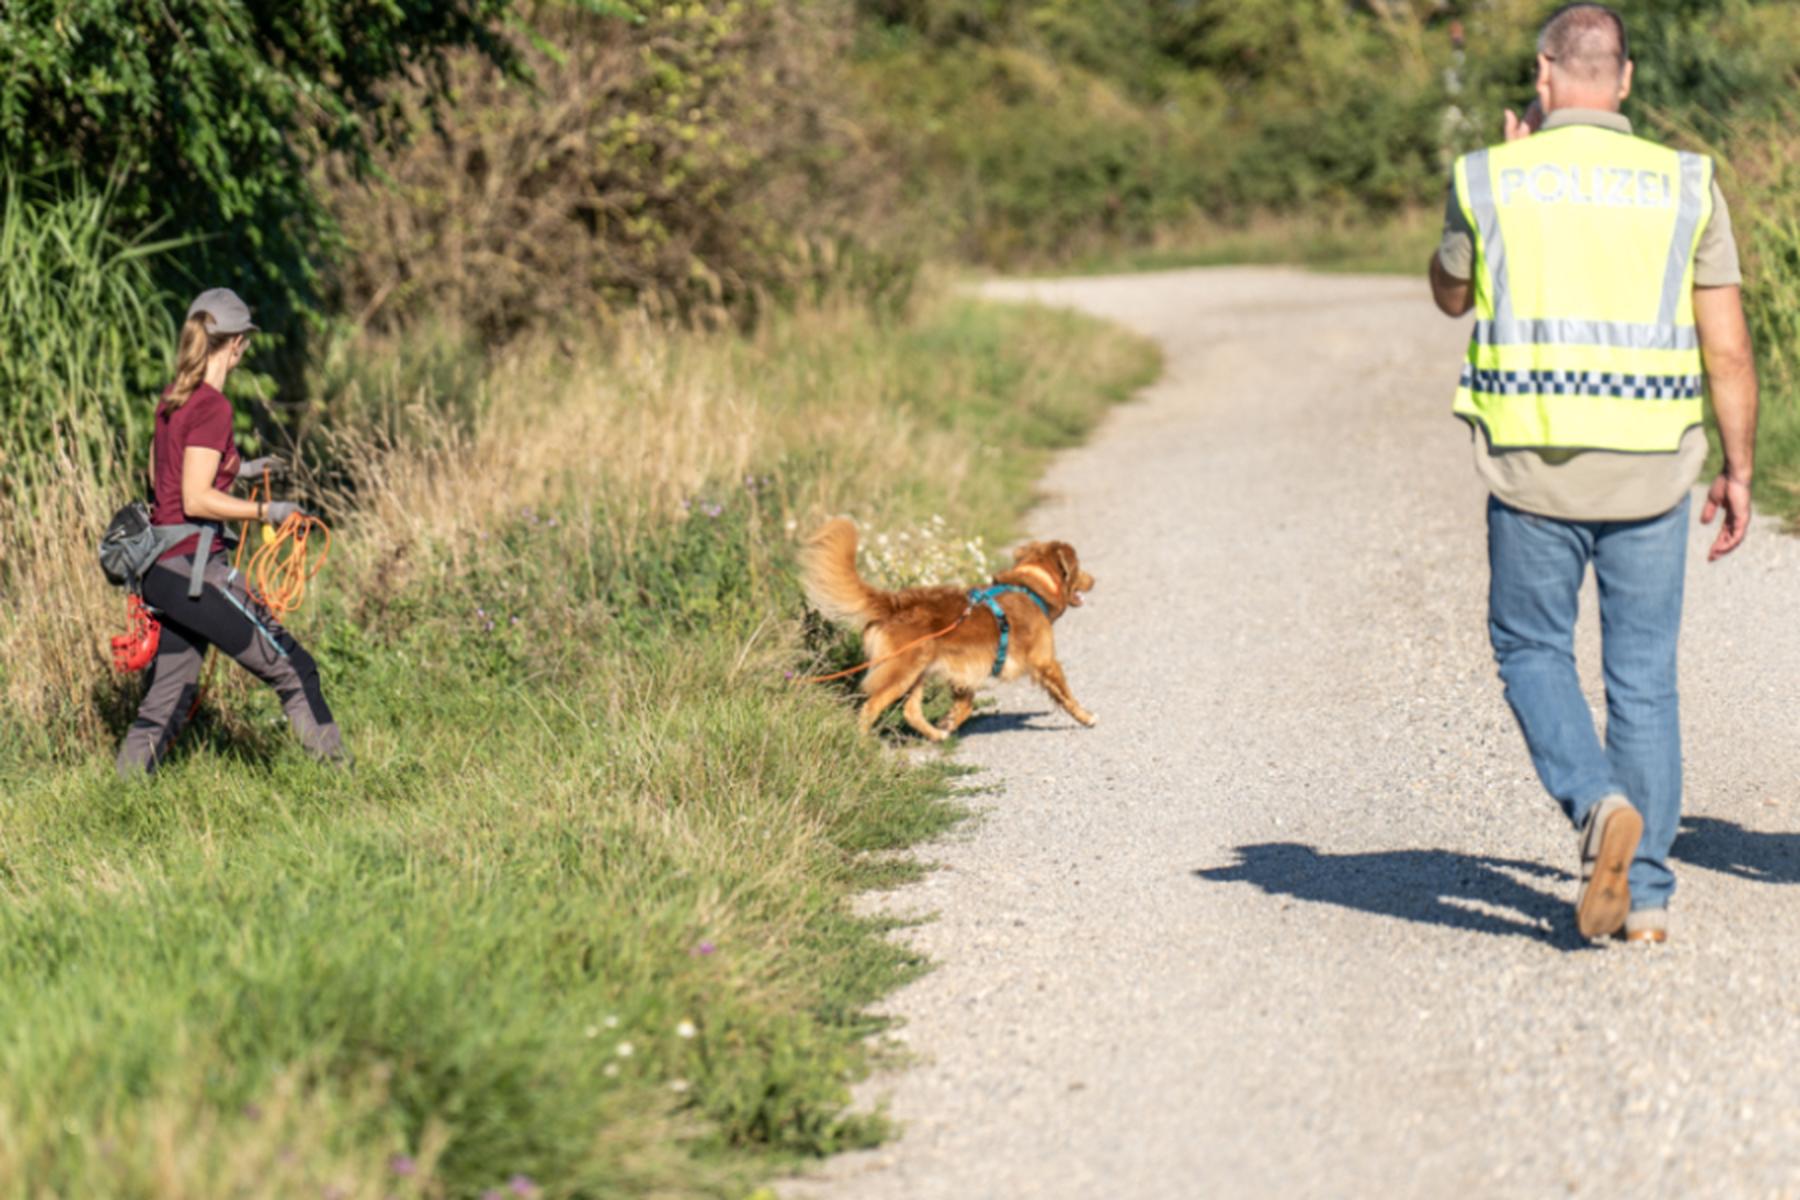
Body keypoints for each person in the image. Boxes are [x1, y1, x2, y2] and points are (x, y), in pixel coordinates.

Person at [1427, 4, 1758, 944]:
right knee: (1644, 679)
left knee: (1531, 650)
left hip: (1534, 466)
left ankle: (1596, 802)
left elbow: (1451, 294)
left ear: (1542, 74)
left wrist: (1491, 191)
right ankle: (1646, 896)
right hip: (1654, 470)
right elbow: (1727, 351)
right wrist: (1738, 469)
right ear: (1624, 77)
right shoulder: (1685, 183)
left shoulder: (1490, 179)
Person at [116, 288, 346, 775]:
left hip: (162, 572)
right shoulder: (212, 406)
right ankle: (340, 782)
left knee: (166, 698)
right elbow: (196, 498)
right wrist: (267, 510)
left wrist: (240, 468)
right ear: (238, 343)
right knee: (294, 668)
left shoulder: (173, 399)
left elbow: (166, 478)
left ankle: (122, 794)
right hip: (195, 571)